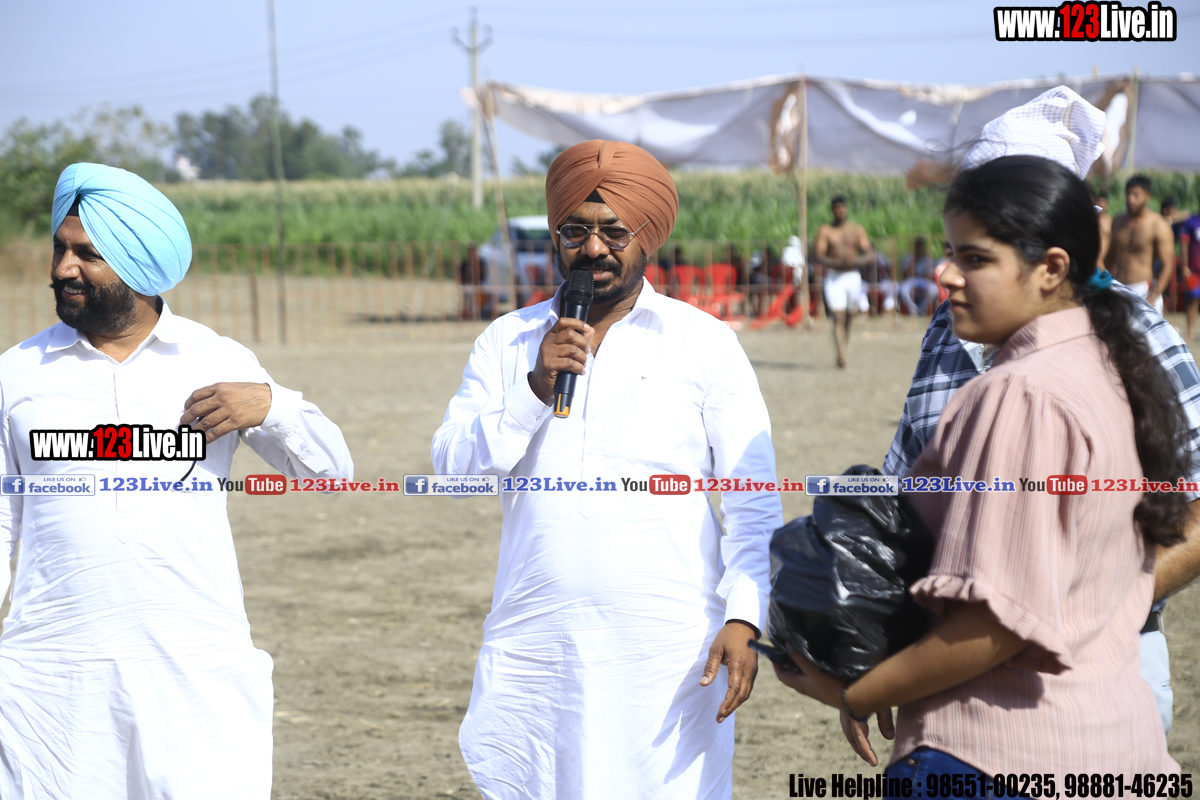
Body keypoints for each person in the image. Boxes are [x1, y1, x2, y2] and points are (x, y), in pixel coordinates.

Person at [778, 147, 1182, 781]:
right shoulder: (1105, 366)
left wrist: (855, 692)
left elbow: (997, 624)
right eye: (950, 253)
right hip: (1110, 740)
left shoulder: (1020, 392)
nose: (945, 275)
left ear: (1051, 268)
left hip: (994, 752)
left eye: (975, 258)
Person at [433, 140, 782, 800]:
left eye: (613, 232)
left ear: (646, 235)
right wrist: (534, 389)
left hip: (671, 650)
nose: (592, 248)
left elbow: (752, 499)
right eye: (575, 232)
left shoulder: (703, 343)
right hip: (541, 644)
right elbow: (453, 470)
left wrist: (745, 616)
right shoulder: (509, 341)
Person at [0, 164, 354, 798]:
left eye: (88, 254)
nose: (63, 268)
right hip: (55, 671)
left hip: (194, 664)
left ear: (139, 266)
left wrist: (272, 406)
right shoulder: (17, 375)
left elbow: (331, 476)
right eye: (60, 248)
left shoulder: (215, 359)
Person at [815, 196, 872, 367]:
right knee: (837, 316)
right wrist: (836, 263)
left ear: (846, 209)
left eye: (842, 208)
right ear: (832, 210)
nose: (840, 211)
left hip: (852, 276)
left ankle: (843, 346)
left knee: (849, 316)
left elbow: (870, 254)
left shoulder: (856, 230)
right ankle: (840, 354)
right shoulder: (826, 231)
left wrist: (854, 262)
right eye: (837, 208)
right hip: (834, 277)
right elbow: (818, 255)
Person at [1107, 175, 1175, 314]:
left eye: (1136, 195)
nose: (1130, 199)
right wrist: (1105, 285)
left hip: (1145, 290)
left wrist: (1153, 296)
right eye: (1128, 194)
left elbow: (1168, 265)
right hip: (1119, 290)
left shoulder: (1158, 225)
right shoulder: (1118, 222)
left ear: (1147, 196)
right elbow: (1110, 258)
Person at [898, 237, 937, 316]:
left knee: (934, 289)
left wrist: (922, 274)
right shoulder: (909, 257)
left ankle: (922, 309)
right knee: (903, 289)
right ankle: (913, 310)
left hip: (924, 280)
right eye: (918, 245)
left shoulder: (928, 258)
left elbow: (930, 274)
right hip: (911, 279)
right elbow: (905, 272)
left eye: (921, 246)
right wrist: (913, 261)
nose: (919, 248)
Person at [1180, 197, 1200, 339]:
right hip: (1194, 269)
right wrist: (1185, 266)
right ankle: (1190, 331)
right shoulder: (1191, 222)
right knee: (1192, 299)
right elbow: (1184, 244)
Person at [1094, 187, 1112, 267]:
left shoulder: (1110, 221)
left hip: (1106, 262)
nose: (1101, 204)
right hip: (1094, 260)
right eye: (1099, 201)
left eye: (1103, 201)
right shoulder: (1092, 220)